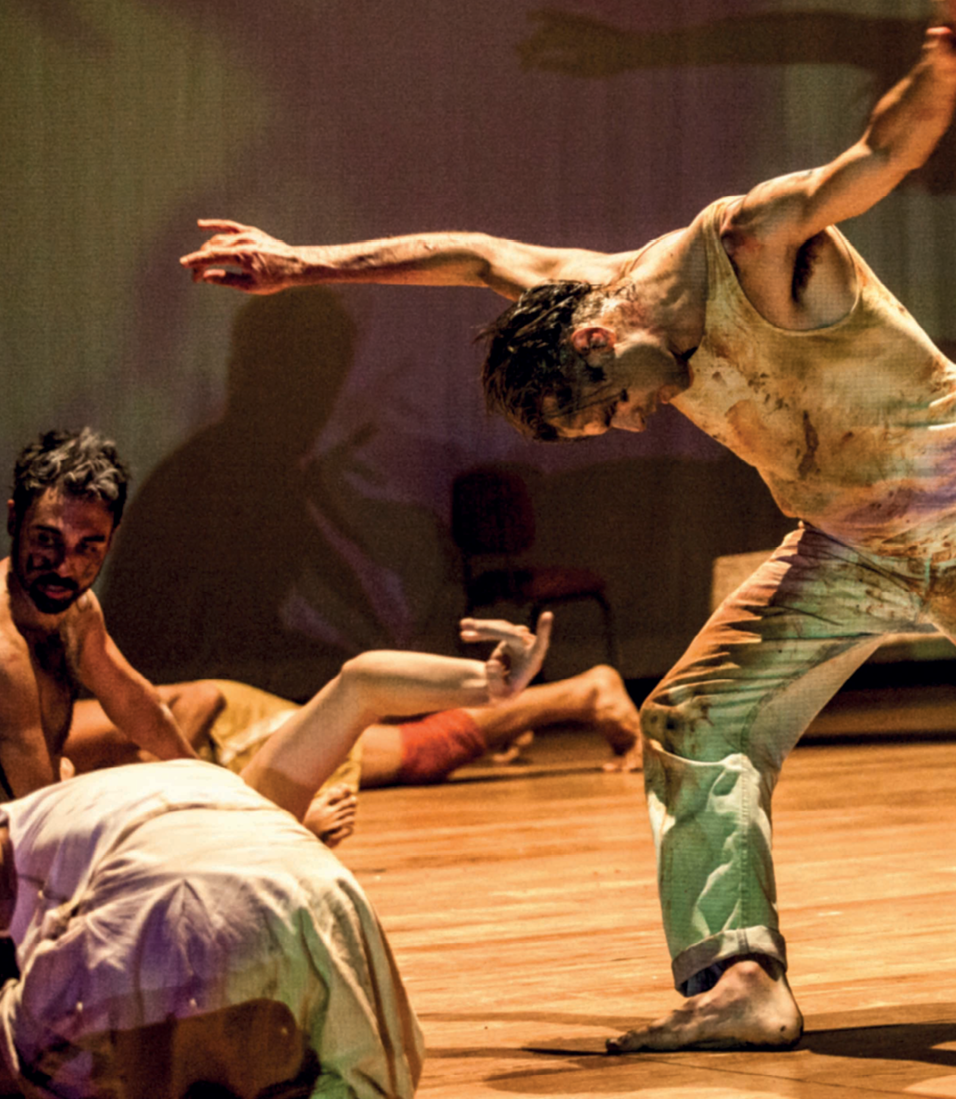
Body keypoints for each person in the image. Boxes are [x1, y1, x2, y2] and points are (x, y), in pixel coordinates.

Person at [179, 0, 956, 1053]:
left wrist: (945, 63)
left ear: (602, 339)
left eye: (604, 406)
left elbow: (876, 157)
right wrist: (300, 264)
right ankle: (740, 982)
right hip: (848, 544)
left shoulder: (751, 246)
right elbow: (469, 253)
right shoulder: (584, 294)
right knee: (695, 718)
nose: (624, 424)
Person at [0, 606, 550, 1096]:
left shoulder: (35, 817)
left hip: (174, 905)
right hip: (303, 886)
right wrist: (489, 682)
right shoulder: (226, 790)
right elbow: (362, 683)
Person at [61, 659, 644, 846]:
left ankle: (584, 692)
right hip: (230, 755)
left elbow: (193, 698)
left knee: (415, 751)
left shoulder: (52, 731)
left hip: (237, 732)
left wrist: (180, 772)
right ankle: (548, 707)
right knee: (415, 749)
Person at [1, 430, 196, 801]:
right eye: (47, 540)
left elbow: (137, 706)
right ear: (14, 520)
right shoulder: (5, 653)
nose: (63, 567)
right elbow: (37, 820)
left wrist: (222, 794)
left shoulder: (78, 609)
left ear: (111, 540)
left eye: (87, 547)